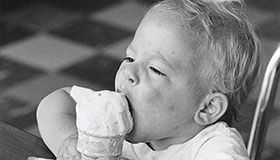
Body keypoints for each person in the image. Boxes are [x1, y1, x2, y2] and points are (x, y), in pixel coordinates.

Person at [29, 0, 260, 159]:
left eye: (155, 69)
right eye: (130, 58)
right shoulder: (122, 115)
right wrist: (68, 141)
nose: (129, 72)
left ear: (208, 107)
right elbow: (56, 101)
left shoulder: (217, 149)